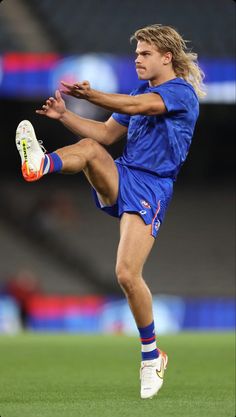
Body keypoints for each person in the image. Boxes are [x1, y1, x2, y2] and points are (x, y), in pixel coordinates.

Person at [15, 24, 205, 399]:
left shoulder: (180, 93)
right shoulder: (139, 91)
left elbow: (136, 107)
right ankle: (40, 163)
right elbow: (105, 135)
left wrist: (93, 93)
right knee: (88, 147)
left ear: (166, 57)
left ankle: (152, 356)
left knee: (127, 275)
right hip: (126, 173)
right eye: (136, 53)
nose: (137, 58)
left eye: (145, 53)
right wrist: (65, 115)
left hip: (153, 185)